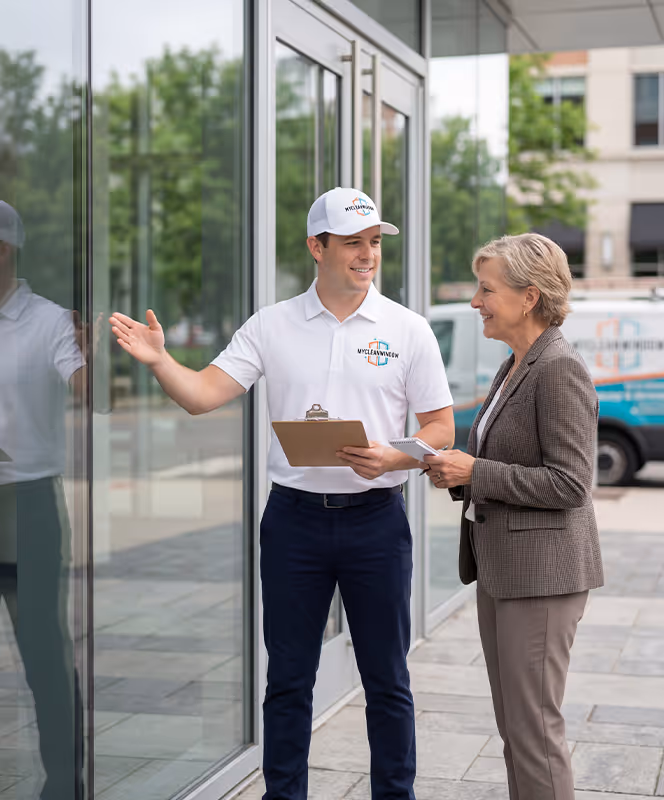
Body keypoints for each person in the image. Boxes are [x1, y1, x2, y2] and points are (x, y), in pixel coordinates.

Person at [109, 187, 455, 800]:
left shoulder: (409, 330)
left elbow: (440, 430)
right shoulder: (271, 325)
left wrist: (392, 456)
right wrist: (161, 361)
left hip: (377, 521)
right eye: (353, 243)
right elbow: (201, 396)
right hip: (293, 523)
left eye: (374, 242)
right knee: (290, 679)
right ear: (315, 247)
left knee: (387, 679)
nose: (367, 255)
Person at [423, 233, 603, 800]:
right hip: (505, 569)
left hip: (542, 578)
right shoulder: (516, 365)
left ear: (529, 298)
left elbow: (570, 484)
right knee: (516, 730)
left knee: (534, 733)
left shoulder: (557, 367)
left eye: (486, 289)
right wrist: (457, 472)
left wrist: (474, 472)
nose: (476, 301)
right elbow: (500, 461)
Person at [0, 200, 86, 800]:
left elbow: (86, 388)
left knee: (43, 656)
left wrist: (96, 358)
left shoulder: (50, 322)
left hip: (28, 510)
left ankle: (63, 784)